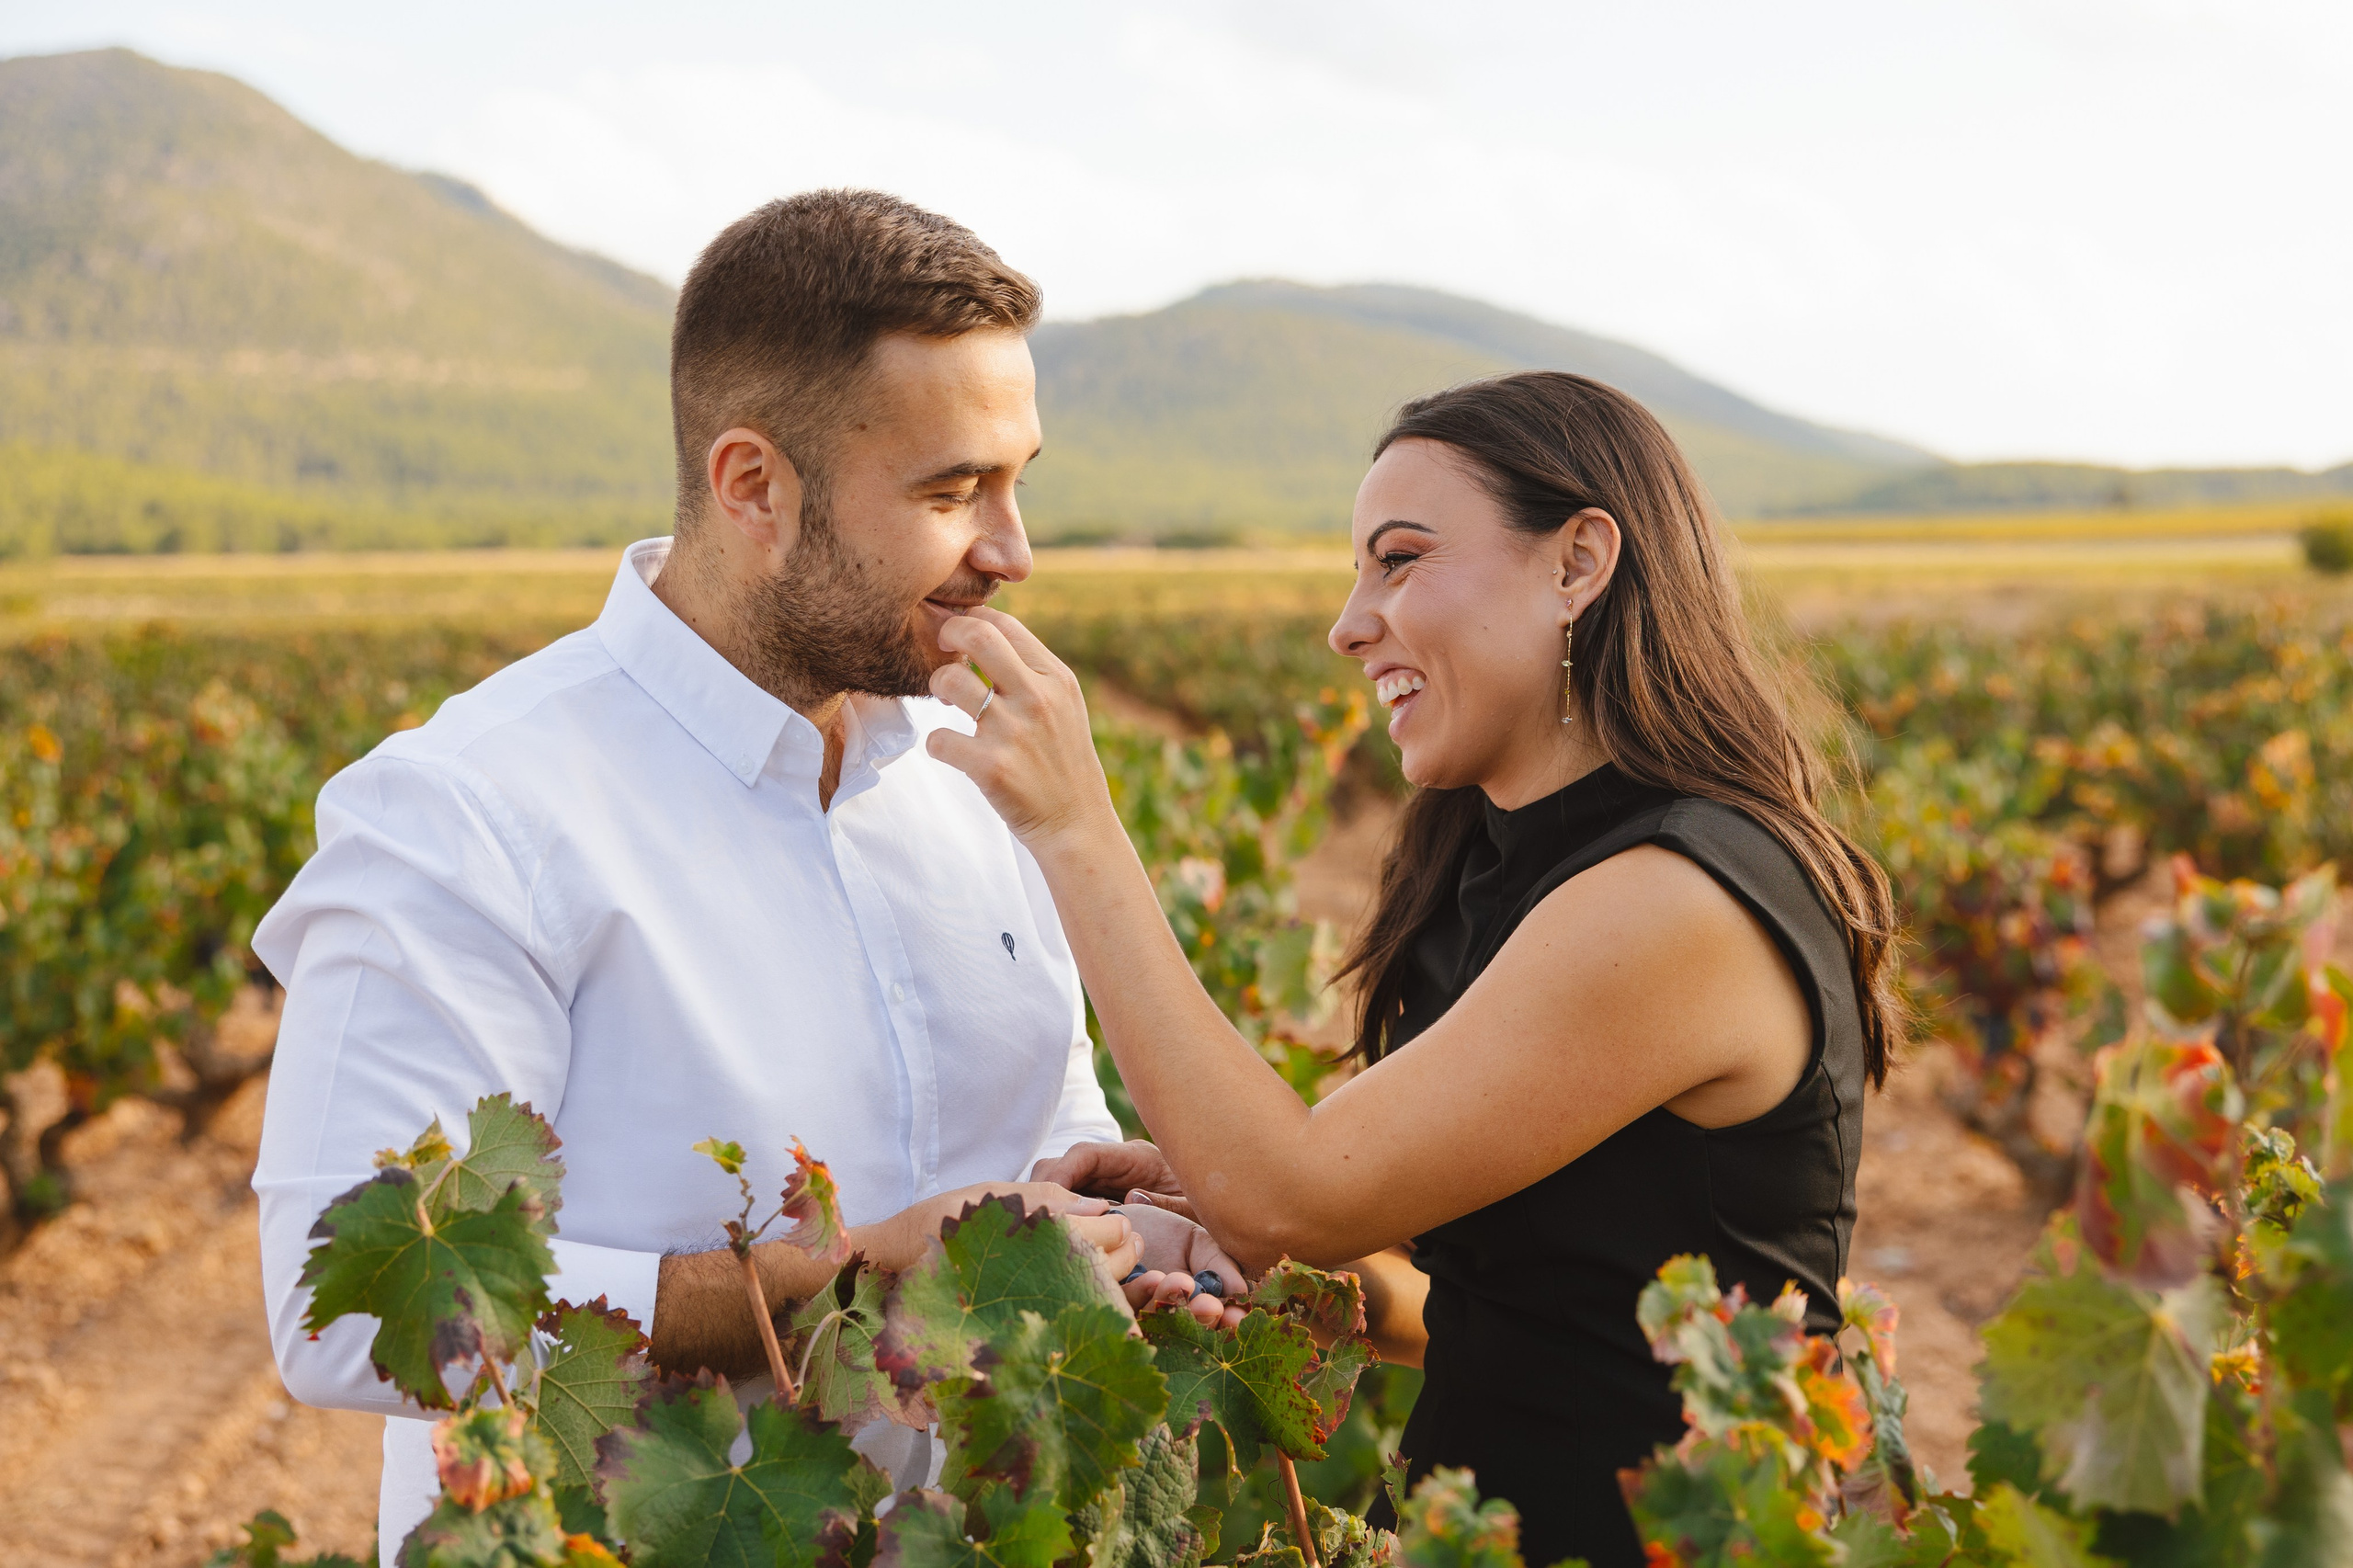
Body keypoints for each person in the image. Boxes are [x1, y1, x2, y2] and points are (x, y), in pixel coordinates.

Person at [249, 190, 1239, 1551]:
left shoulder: (975, 775)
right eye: (954, 491)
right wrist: (843, 1279)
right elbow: (343, 1311)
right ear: (752, 484)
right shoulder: (465, 811)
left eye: (1019, 482)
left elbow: (1027, 1153)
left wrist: (1121, 1235)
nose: (1014, 550)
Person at [972, 372, 1901, 1568]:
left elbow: (1290, 1188)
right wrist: (1240, 1242)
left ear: (1577, 563)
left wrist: (1076, 828)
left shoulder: (1678, 898)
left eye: (1399, 560)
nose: (1349, 622)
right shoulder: (1507, 872)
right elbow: (1508, 1311)